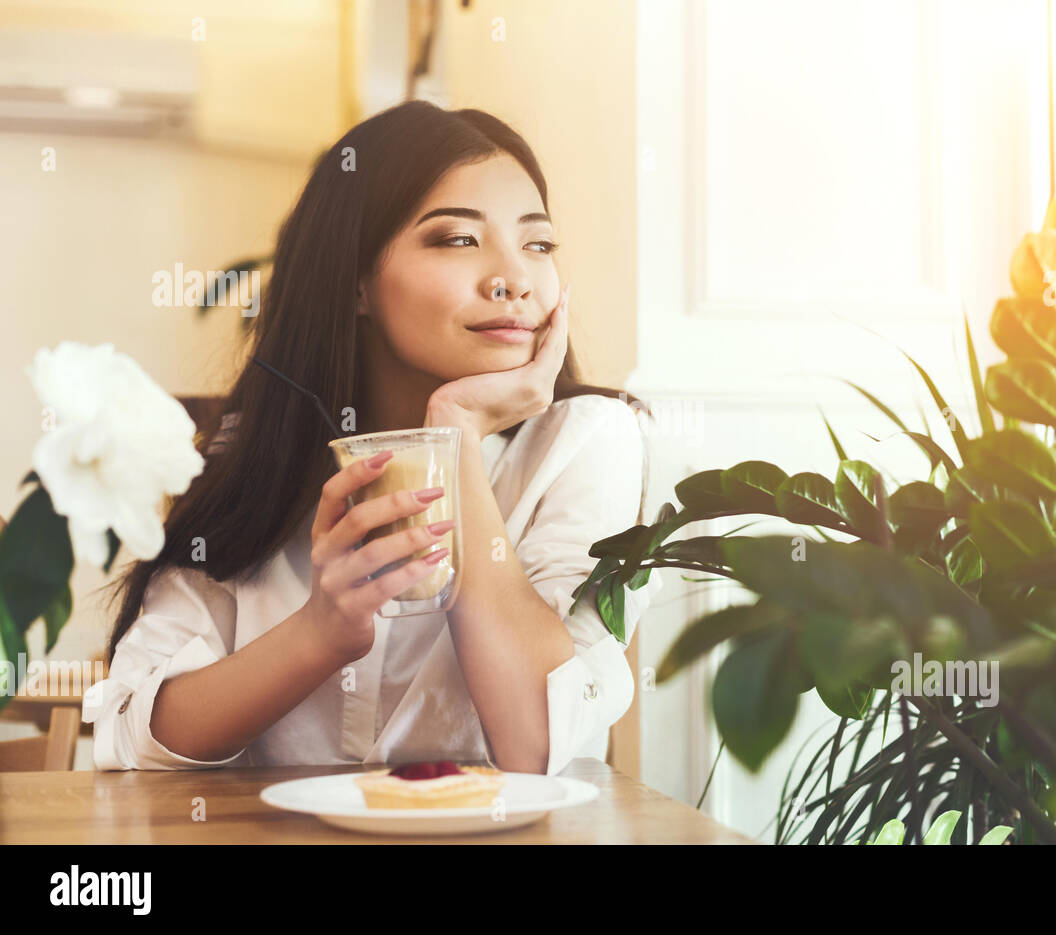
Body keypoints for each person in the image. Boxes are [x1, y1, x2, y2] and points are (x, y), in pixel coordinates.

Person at [83, 100, 661, 776]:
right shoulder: (255, 455)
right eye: (456, 239)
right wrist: (320, 633)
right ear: (356, 282)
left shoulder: (589, 442)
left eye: (537, 243)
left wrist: (457, 435)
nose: (512, 277)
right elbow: (133, 734)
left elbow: (537, 743)